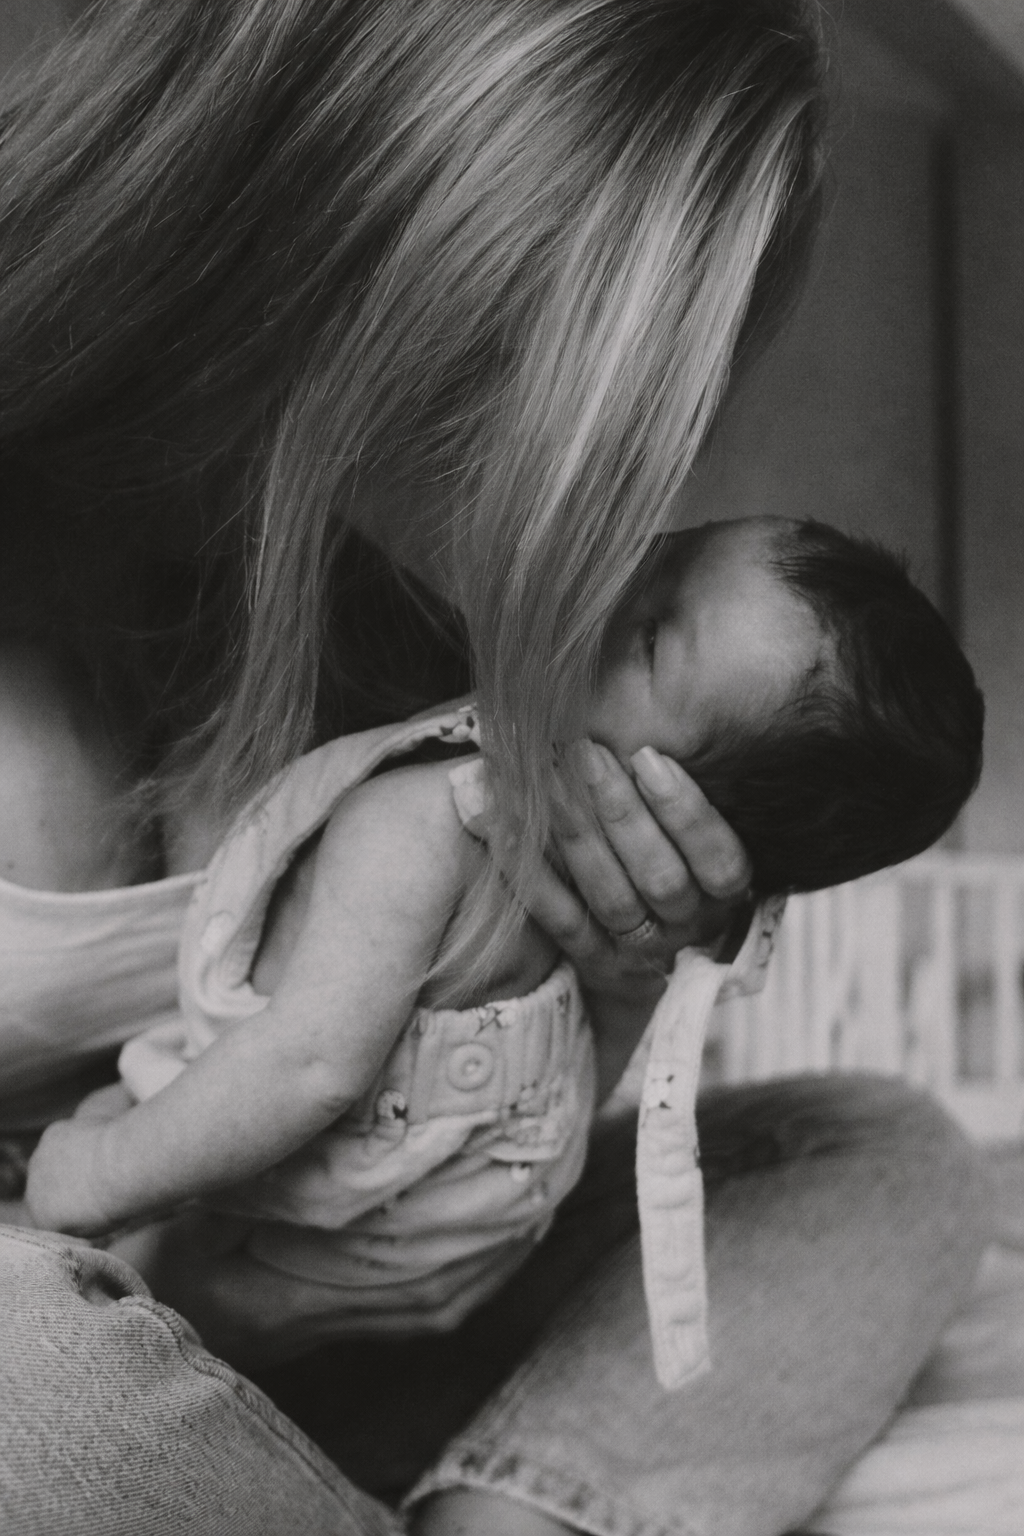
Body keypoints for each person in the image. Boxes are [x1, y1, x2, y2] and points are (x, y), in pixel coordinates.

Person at [0, 4, 992, 1535]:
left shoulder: (421, 664)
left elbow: (443, 1116)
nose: (592, 497)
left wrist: (601, 988)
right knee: (30, 1365)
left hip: (308, 1349)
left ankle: (498, 1506)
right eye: (539, 364)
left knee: (877, 1156)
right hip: (85, 1322)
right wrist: (187, 1297)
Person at [24, 518, 983, 1364]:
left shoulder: (427, 815)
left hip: (281, 1206)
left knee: (897, 1154)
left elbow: (311, 1063)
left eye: (649, 639)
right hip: (391, 1235)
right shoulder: (535, 877)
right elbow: (556, 1121)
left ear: (675, 806)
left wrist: (99, 1175)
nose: (604, 587)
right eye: (659, 550)